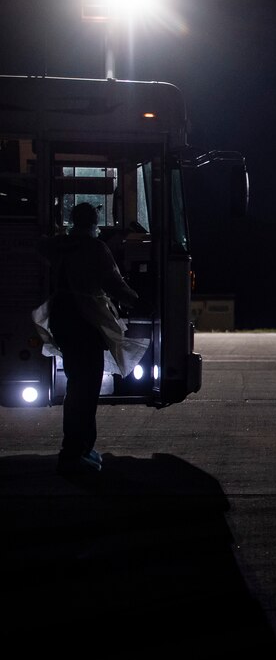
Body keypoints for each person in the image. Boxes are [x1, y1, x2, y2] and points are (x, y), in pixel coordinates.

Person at [38, 202, 139, 475]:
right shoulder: (96, 249)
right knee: (86, 390)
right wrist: (136, 299)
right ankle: (75, 450)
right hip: (85, 324)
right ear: (94, 221)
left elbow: (42, 246)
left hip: (62, 321)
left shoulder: (60, 246)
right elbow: (114, 284)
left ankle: (79, 447)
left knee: (75, 386)